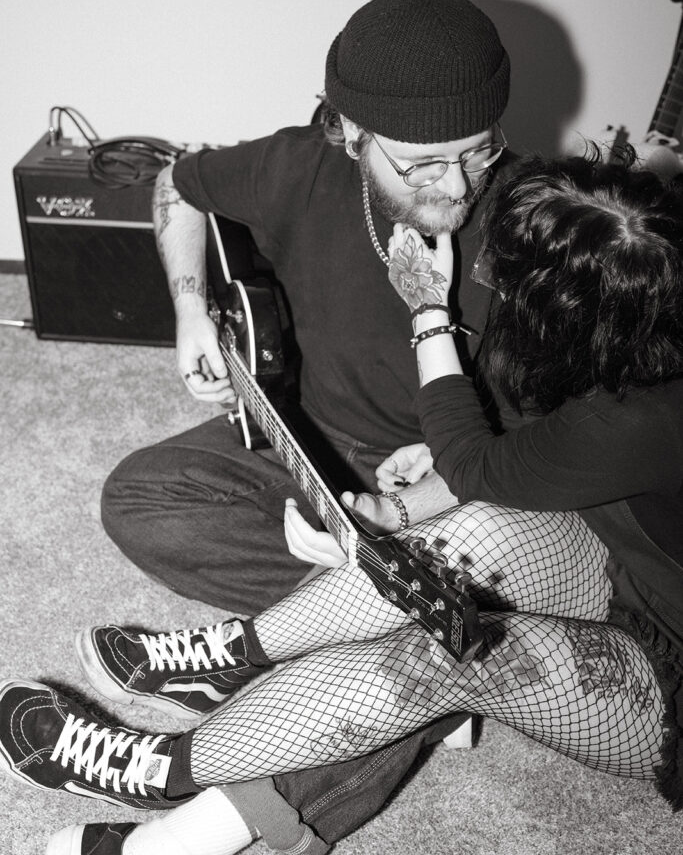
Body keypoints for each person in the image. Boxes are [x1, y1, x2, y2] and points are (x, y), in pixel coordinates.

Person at [2, 150, 682, 855]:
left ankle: (163, 778)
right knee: (460, 548)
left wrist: (428, 313)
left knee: (452, 648)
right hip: (613, 563)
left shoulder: (634, 419)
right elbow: (508, 466)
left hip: (667, 679)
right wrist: (403, 510)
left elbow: (480, 461)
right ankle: (238, 653)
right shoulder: (638, 358)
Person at [100, 0, 512, 617]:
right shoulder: (297, 166)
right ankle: (384, 617)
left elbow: (548, 442)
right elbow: (176, 185)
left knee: (530, 541)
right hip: (301, 432)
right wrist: (190, 313)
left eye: (478, 151)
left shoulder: (537, 223)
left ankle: (358, 624)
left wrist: (414, 499)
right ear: (351, 131)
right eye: (421, 164)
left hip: (448, 478)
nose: (456, 186)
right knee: (137, 499)